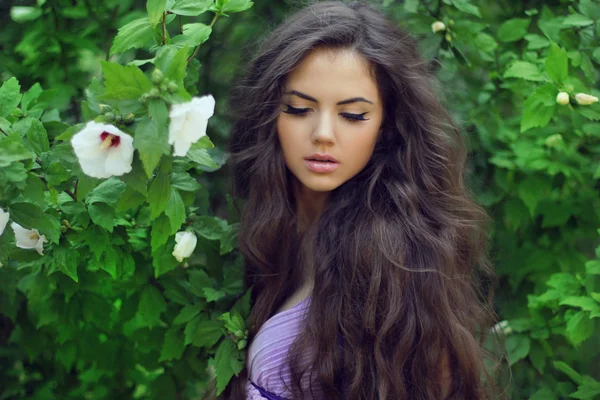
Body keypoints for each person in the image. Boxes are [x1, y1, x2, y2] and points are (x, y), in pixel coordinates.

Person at [226, 1, 501, 399]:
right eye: (299, 109)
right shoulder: (275, 231)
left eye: (352, 115)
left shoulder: (392, 259)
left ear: (387, 125)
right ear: (271, 115)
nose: (323, 133)